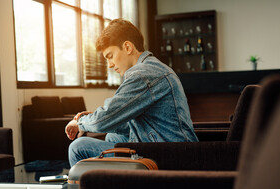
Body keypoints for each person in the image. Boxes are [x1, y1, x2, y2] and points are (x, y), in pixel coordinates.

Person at [65, 19, 198, 167]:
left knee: (77, 147)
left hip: (169, 158)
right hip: (176, 150)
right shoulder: (153, 67)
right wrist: (95, 119)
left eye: (110, 56)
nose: (109, 65)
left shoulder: (142, 74)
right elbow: (131, 124)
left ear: (127, 47)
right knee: (113, 137)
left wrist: (81, 123)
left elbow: (102, 120)